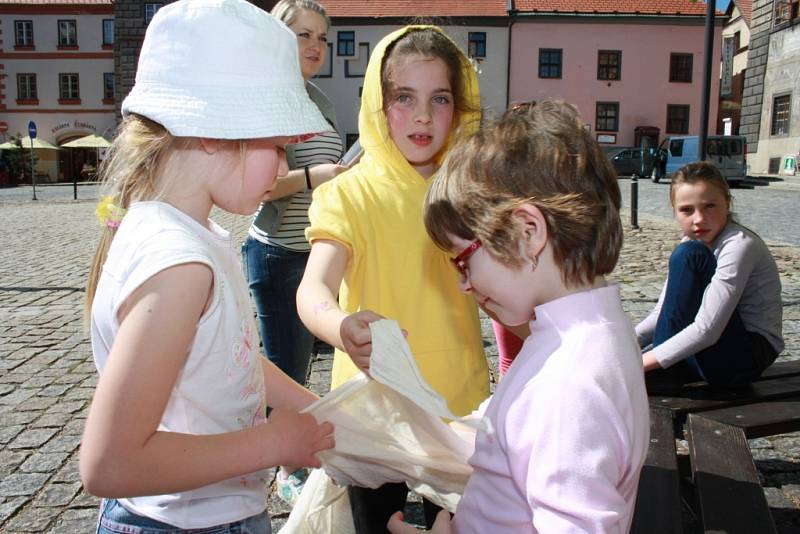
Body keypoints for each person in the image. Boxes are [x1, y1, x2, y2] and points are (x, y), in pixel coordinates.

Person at [79, 1, 335, 532]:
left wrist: (316, 409)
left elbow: (231, 359)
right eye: (279, 146)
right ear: (216, 132)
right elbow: (109, 463)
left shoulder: (196, 235)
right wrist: (274, 442)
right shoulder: (180, 266)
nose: (286, 168)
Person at [388, 99, 649, 533]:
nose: (463, 284)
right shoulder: (582, 334)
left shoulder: (569, 382)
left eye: (462, 260)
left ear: (527, 233)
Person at [296, 26, 490, 532]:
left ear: (460, 108)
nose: (423, 115)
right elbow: (313, 288)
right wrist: (340, 327)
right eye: (404, 97)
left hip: (458, 403)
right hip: (375, 409)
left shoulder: (472, 193)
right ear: (378, 105)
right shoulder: (349, 194)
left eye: (439, 98)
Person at [240, 0, 346, 506]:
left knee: (305, 366)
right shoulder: (265, 99)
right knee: (286, 368)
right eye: (303, 35)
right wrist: (318, 176)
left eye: (321, 38)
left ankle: (295, 453)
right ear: (277, 38)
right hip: (279, 254)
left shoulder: (320, 100)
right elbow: (256, 187)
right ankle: (281, 466)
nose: (315, 46)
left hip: (315, 249)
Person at [636, 161, 783, 388]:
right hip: (711, 348)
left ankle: (663, 373)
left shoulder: (739, 244)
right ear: (674, 211)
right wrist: (627, 344)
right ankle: (661, 372)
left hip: (748, 354)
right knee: (628, 373)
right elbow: (664, 313)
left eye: (710, 206)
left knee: (688, 254)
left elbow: (707, 330)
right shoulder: (691, 242)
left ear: (728, 202)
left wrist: (639, 363)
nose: (699, 219)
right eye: (687, 210)